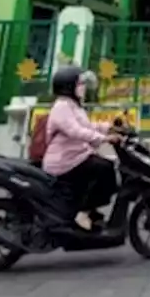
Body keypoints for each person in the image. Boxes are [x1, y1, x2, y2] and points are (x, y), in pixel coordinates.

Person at [43, 65, 119, 230]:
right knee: (105, 170)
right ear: (68, 87)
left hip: (75, 157)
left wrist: (109, 127)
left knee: (104, 167)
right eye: (80, 84)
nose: (83, 88)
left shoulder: (73, 105)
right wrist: (105, 138)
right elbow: (76, 131)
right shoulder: (62, 106)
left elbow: (87, 126)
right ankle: (83, 212)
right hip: (64, 162)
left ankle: (89, 208)